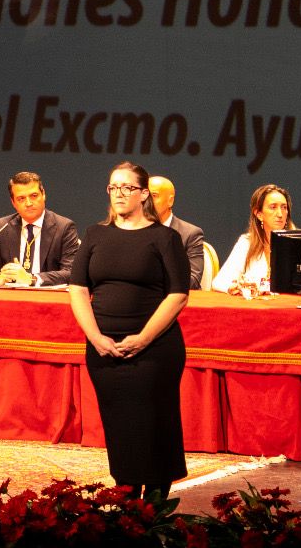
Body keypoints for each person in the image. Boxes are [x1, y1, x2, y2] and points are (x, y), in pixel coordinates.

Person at [68, 163, 189, 504]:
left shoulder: (164, 238)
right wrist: (95, 338)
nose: (119, 194)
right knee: (118, 420)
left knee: (153, 419)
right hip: (104, 347)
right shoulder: (95, 234)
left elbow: (178, 294)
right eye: (113, 188)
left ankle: (155, 498)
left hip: (154, 349)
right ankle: (127, 489)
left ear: (143, 194)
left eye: (126, 188)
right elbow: (77, 288)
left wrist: (143, 339)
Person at [0, 171, 80, 286]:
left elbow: (71, 272)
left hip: (46, 298)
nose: (28, 203)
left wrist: (32, 279)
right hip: (11, 296)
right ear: (13, 202)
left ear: (44, 194)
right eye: (21, 198)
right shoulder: (3, 226)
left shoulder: (64, 227)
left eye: (34, 196)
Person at [210, 184, 295, 295]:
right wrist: (235, 287)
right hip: (258, 308)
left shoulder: (296, 243)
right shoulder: (246, 243)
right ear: (259, 214)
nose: (280, 214)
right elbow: (220, 281)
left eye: (284, 207)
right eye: (273, 207)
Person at [147, 176, 205, 289]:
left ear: (170, 201)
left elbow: (193, 280)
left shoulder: (190, 234)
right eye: (145, 196)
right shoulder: (134, 230)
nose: (147, 202)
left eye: (154, 196)